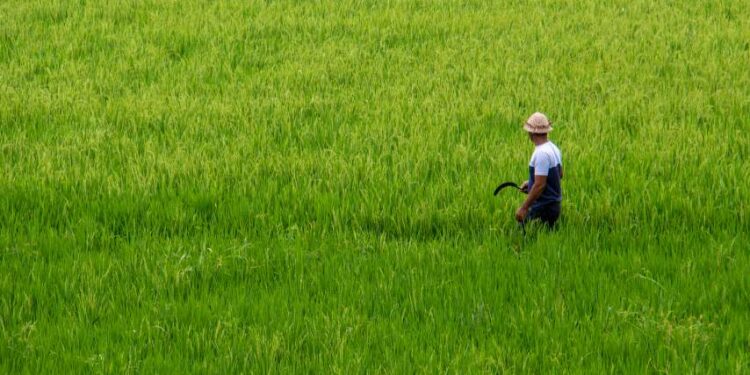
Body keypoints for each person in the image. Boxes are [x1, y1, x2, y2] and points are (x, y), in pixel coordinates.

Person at [515, 112, 563, 228]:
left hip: (543, 208)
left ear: (531, 132)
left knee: (523, 236)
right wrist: (531, 183)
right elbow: (559, 175)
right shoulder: (553, 148)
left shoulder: (541, 153)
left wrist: (524, 208)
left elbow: (540, 185)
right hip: (554, 206)